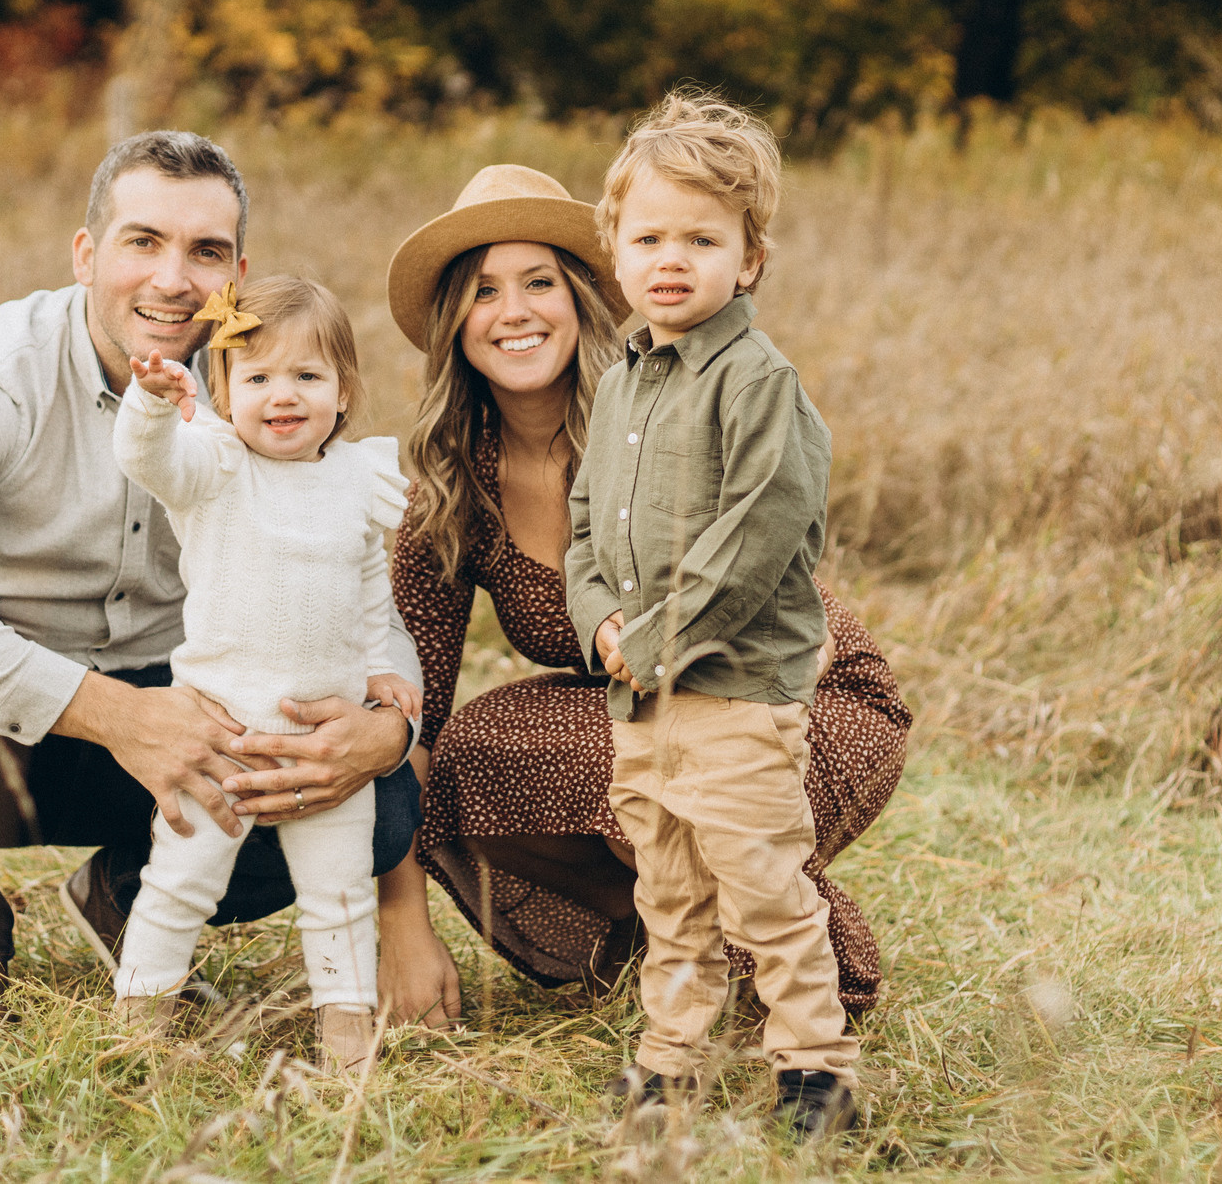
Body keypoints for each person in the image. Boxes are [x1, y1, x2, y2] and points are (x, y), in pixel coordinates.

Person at [0, 131, 421, 1014]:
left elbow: (356, 597)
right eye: (143, 241)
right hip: (0, 736)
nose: (173, 279)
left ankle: (132, 897)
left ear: (238, 274)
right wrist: (120, 716)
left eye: (206, 252)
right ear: (85, 254)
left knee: (380, 806)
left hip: (195, 725)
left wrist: (388, 728)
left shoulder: (273, 388)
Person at [373, 162, 907, 1057]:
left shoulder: (654, 407)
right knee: (472, 748)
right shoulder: (455, 483)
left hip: (790, 689)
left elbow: (766, 580)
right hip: (641, 708)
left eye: (539, 282)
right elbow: (410, 713)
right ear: (453, 323)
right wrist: (403, 923)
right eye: (483, 291)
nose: (515, 312)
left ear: (585, 295)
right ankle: (668, 942)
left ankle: (806, 978)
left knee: (649, 768)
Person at [573, 93, 860, 1135]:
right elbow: (581, 524)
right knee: (669, 889)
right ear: (615, 252)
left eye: (702, 239)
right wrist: (600, 619)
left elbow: (756, 535)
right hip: (640, 700)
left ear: (748, 260)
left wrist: (655, 641)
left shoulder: (758, 382)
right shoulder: (618, 388)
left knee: (764, 891)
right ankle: (668, 1063)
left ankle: (814, 1072)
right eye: (648, 237)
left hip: (732, 694)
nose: (671, 260)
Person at [109, 277, 418, 1068]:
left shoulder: (359, 477)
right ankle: (137, 1018)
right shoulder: (214, 467)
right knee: (181, 880)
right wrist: (151, 401)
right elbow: (148, 459)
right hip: (222, 731)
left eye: (307, 377)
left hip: (326, 739)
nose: (282, 396)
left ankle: (345, 1039)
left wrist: (380, 669)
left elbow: (368, 587)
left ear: (343, 391)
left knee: (340, 896)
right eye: (257, 378)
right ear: (222, 391)